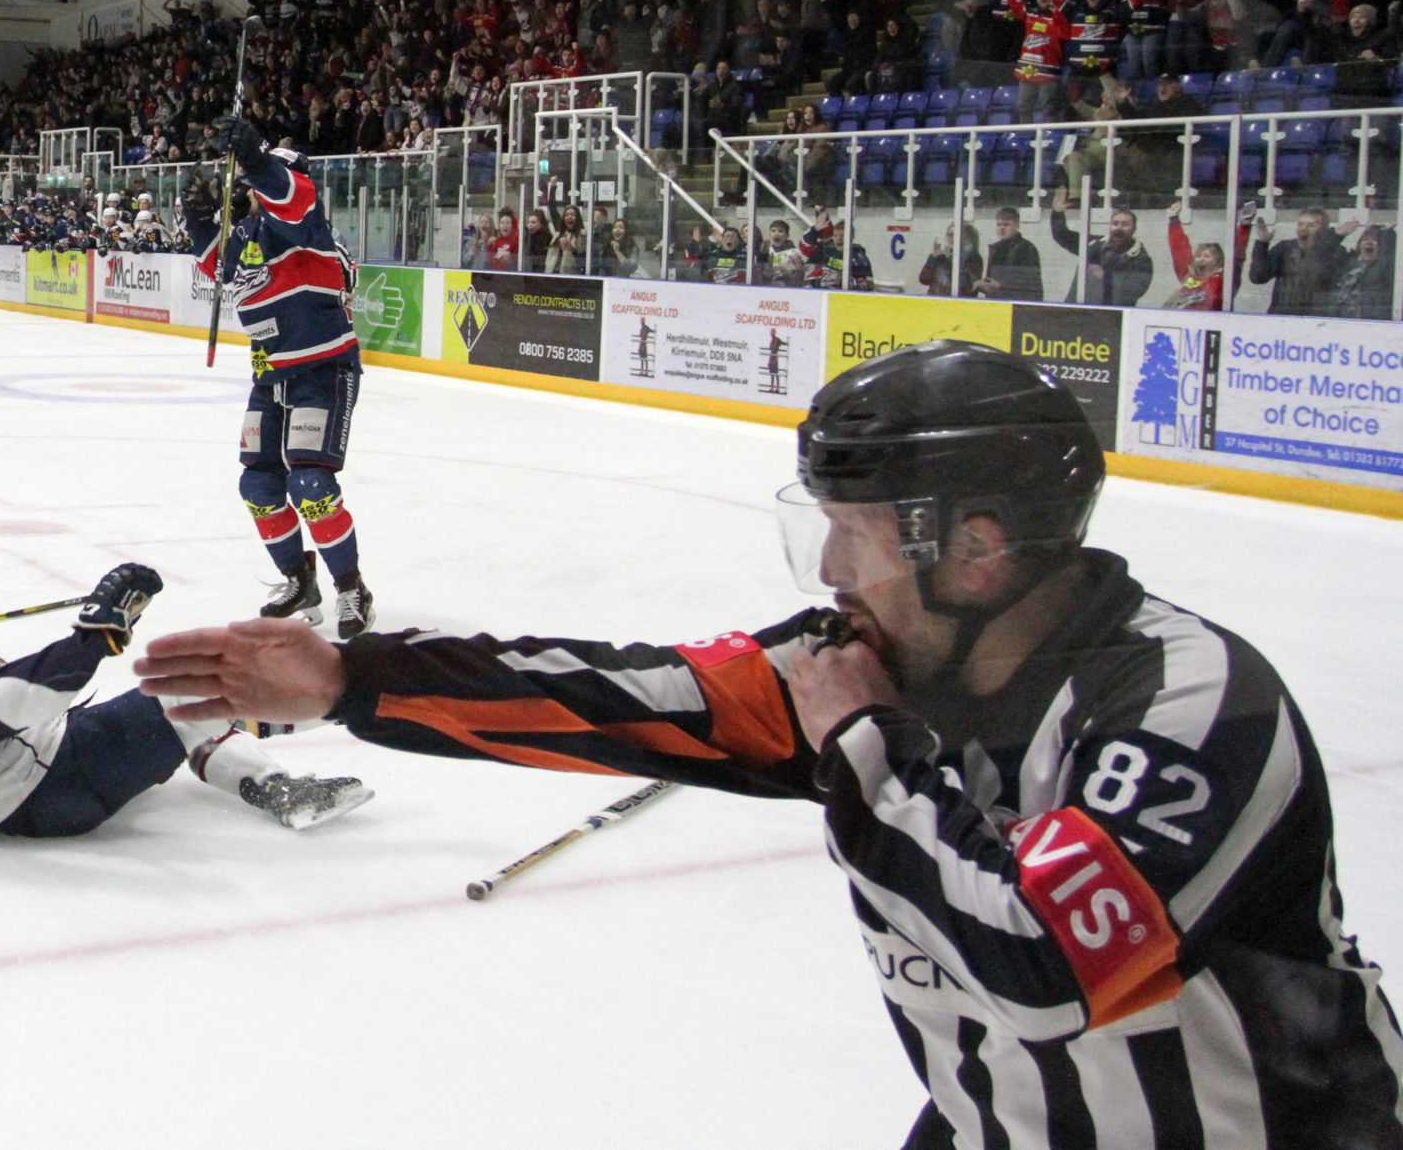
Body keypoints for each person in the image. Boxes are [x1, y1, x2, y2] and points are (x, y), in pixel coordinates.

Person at [136, 341, 1403, 1149]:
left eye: (859, 530)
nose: (830, 567)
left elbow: (1041, 963)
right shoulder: (887, 654)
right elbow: (632, 695)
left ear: (976, 544)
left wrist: (859, 736)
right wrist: (358, 678)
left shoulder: (1189, 702)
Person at [0, 565, 371, 842]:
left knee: (177, 721)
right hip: (59, 780)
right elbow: (30, 696)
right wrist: (99, 632)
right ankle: (342, 702)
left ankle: (264, 778)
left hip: (11, 810)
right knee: (186, 684)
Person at [184, 116, 375, 638]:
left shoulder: (305, 222)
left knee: (311, 484)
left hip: (321, 368)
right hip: (270, 375)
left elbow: (288, 195)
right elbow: (216, 268)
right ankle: (298, 579)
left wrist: (254, 160)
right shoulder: (247, 231)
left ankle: (352, 587)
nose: (247, 191)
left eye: (254, 182)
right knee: (259, 485)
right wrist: (197, 215)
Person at [1049, 191, 1153, 306]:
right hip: (1078, 312)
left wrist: (1106, 276)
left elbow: (1135, 290)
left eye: (1125, 224)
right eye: (1115, 223)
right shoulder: (1094, 244)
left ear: (1134, 228)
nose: (1119, 228)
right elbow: (1062, 235)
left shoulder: (1141, 258)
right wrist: (1057, 214)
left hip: (1113, 317)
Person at [1249, 207, 1348, 316]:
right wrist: (1262, 243)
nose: (1303, 229)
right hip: (1281, 316)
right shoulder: (1284, 248)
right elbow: (1258, 277)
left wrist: (1326, 244)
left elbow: (1317, 277)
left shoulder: (1337, 251)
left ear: (1325, 229)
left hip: (1317, 318)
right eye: (1300, 224)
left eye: (1312, 225)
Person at [975, 206, 1044, 300]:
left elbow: (1029, 282)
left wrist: (1001, 286)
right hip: (997, 301)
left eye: (1006, 225)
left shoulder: (1027, 249)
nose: (1002, 228)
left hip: (1018, 303)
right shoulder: (995, 249)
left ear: (1016, 225)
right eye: (999, 225)